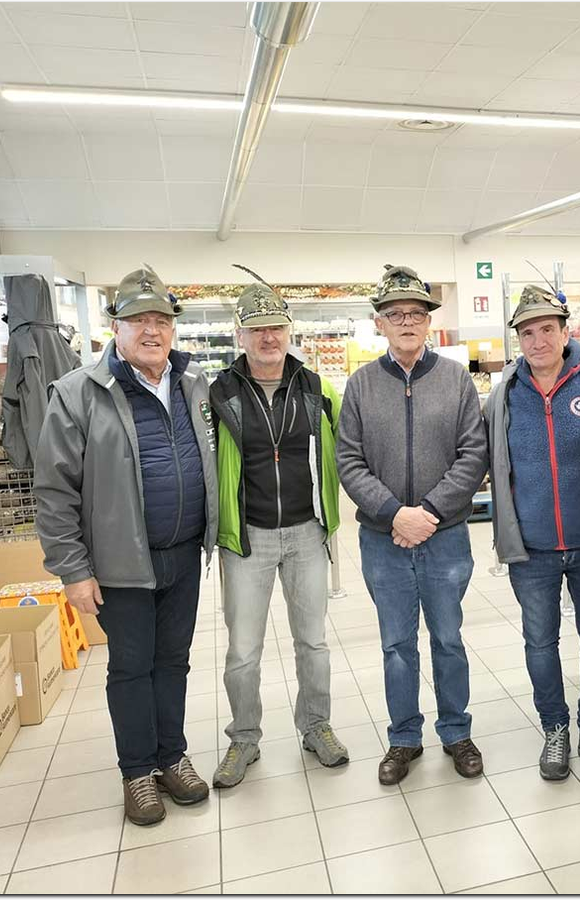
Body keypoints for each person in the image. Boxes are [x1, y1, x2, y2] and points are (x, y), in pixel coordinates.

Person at [35, 266, 217, 826]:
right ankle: (137, 771)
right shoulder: (78, 393)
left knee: (174, 661)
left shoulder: (193, 383)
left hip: (183, 554)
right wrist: (72, 570)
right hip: (120, 564)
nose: (151, 330)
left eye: (161, 319)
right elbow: (54, 489)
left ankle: (172, 757)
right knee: (132, 667)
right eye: (138, 320)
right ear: (115, 327)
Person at [337, 264, 488, 786]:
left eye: (416, 314)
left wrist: (428, 513)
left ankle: (457, 732)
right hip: (383, 541)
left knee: (448, 638)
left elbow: (473, 454)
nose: (407, 322)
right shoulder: (360, 385)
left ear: (428, 322)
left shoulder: (455, 379)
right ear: (379, 323)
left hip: (445, 537)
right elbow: (348, 461)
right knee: (396, 645)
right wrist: (393, 513)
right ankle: (404, 737)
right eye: (396, 314)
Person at [210, 269, 346, 789]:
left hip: (307, 533)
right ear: (240, 335)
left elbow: (347, 449)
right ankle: (244, 738)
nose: (268, 338)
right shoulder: (219, 394)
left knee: (313, 642)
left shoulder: (318, 389)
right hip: (248, 538)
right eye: (257, 329)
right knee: (243, 650)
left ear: (289, 332)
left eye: (277, 328)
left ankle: (316, 726)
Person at [485, 284, 580, 783]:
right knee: (540, 644)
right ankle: (555, 729)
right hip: (532, 550)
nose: (538, 340)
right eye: (527, 332)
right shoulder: (504, 394)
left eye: (547, 329)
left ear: (567, 332)